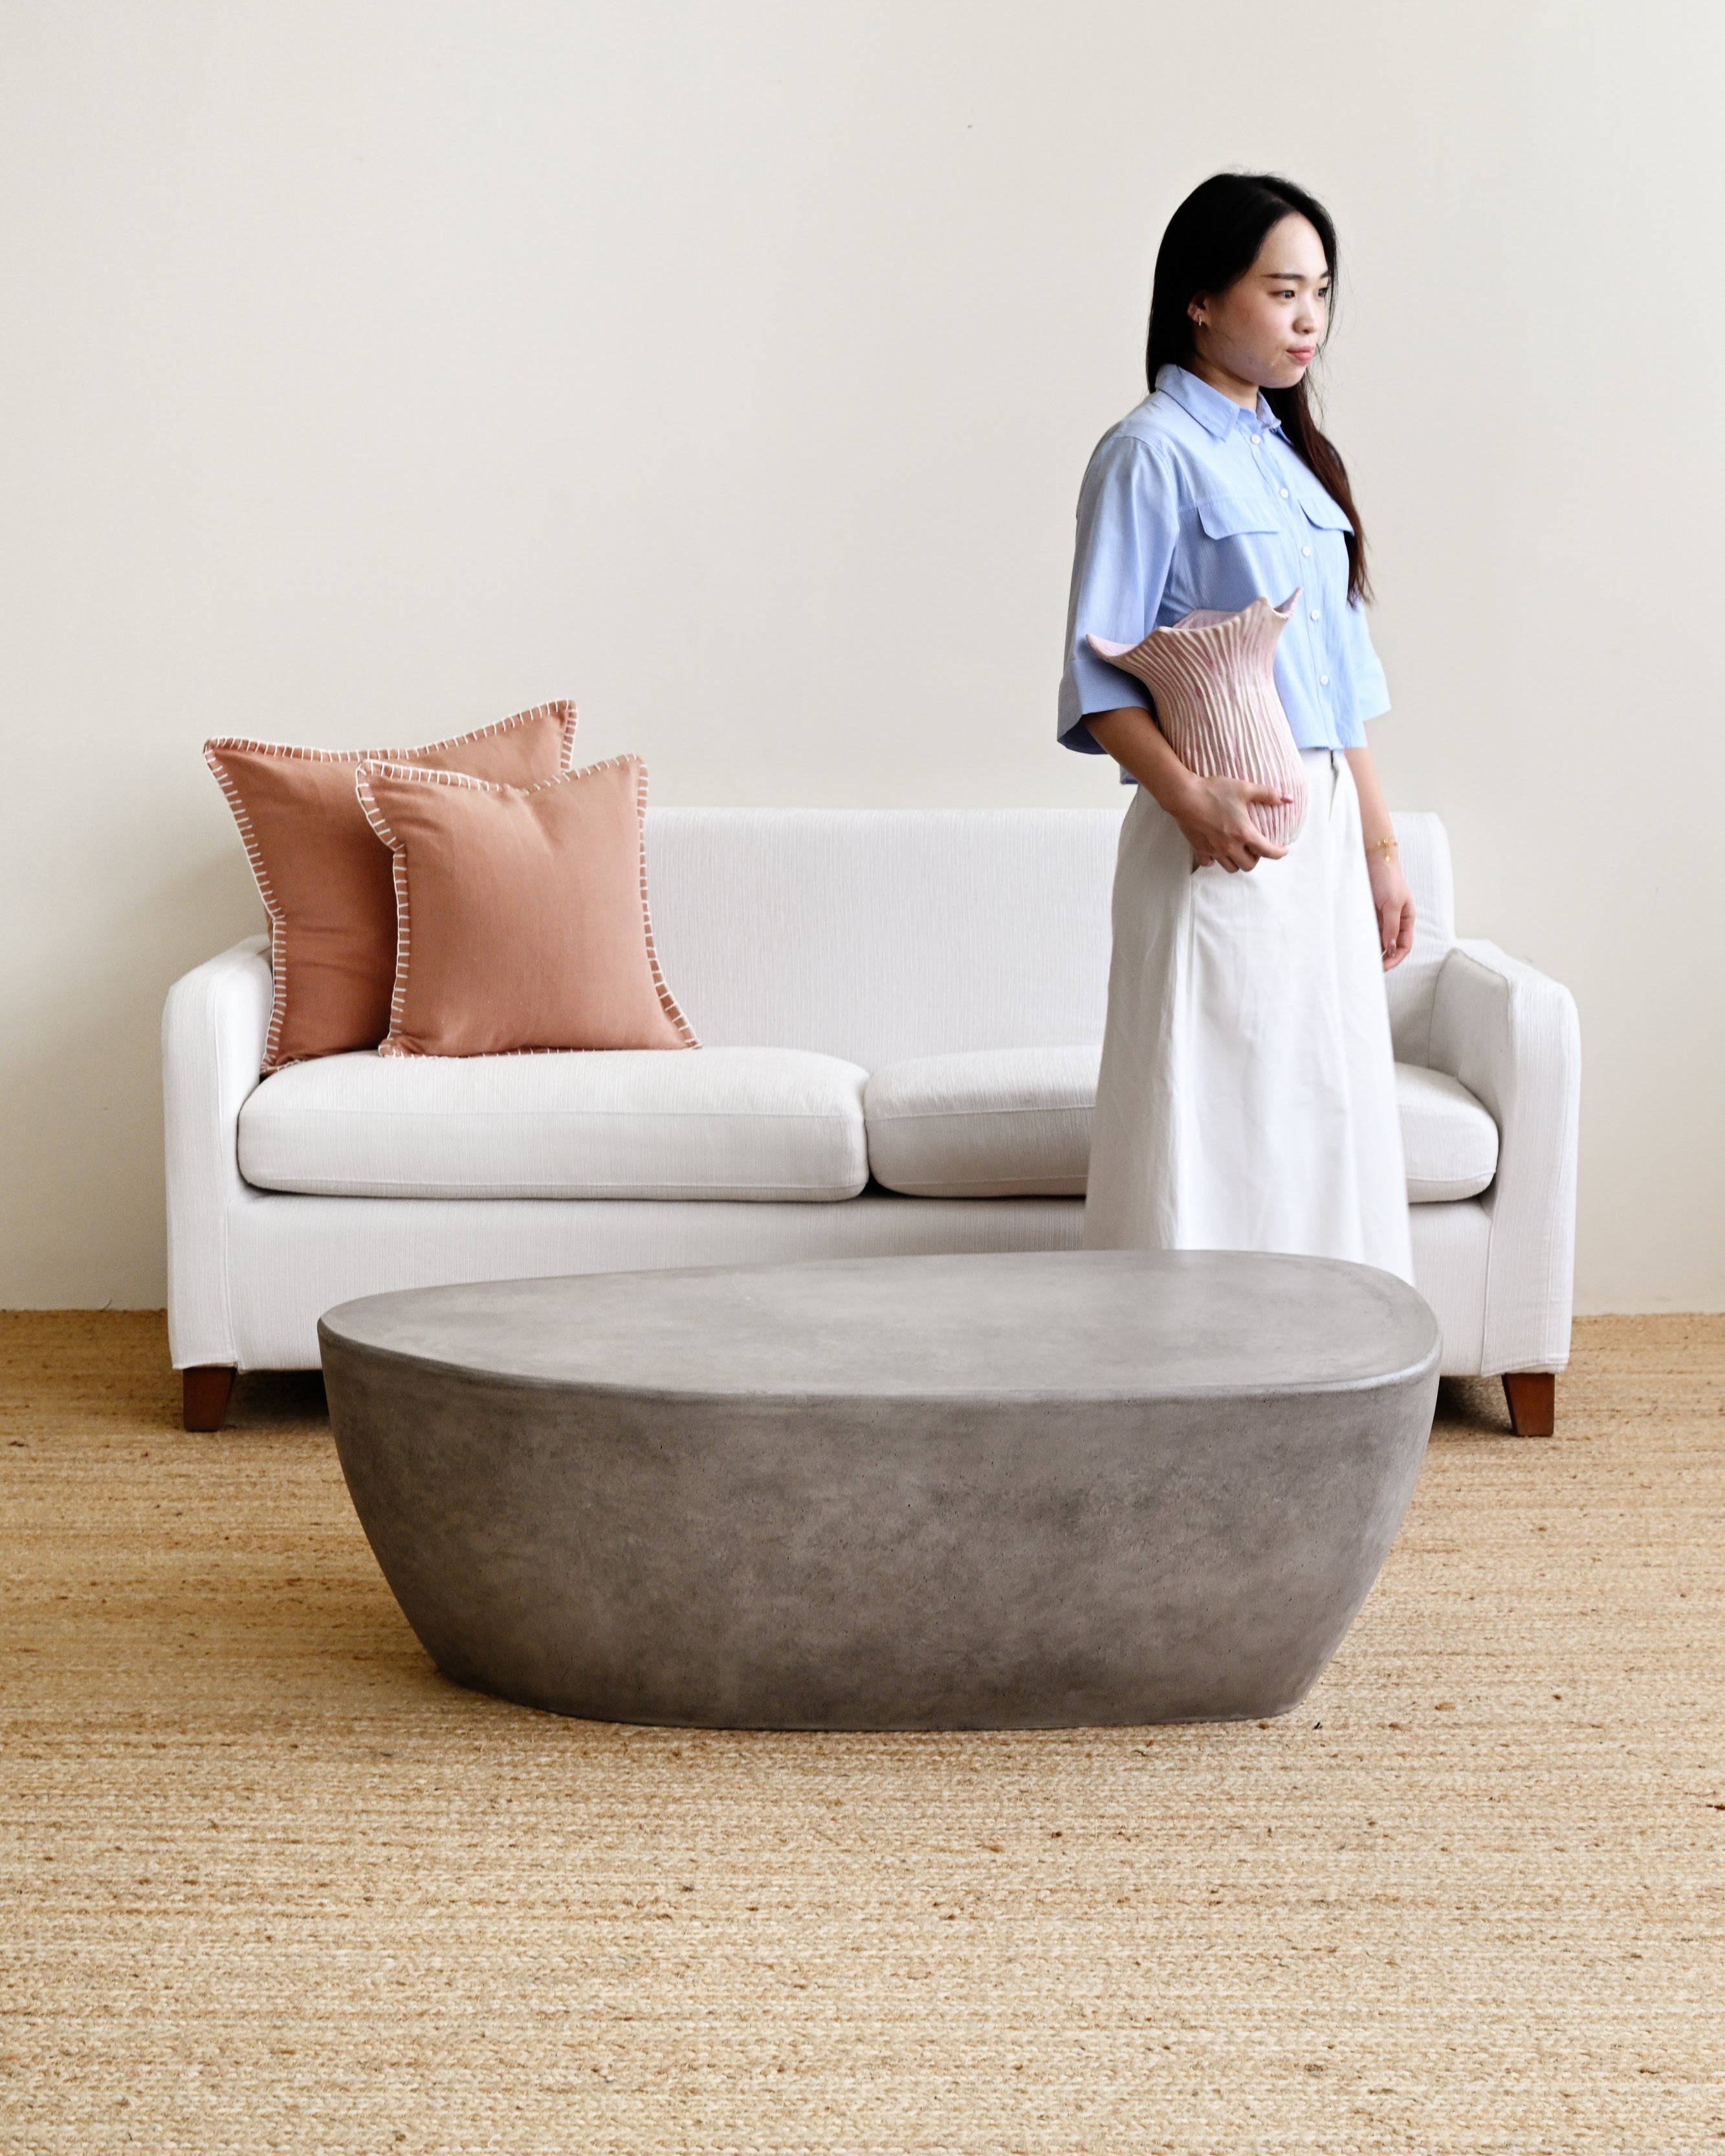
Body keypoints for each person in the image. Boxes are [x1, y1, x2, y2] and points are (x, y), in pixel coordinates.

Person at [1059, 171, 1414, 1281]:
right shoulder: (1150, 451)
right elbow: (1095, 676)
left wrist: (1379, 846)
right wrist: (1191, 802)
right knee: (1207, 1118)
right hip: (1211, 835)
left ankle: (1321, 1372)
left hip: (1314, 846)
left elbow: (1339, 684)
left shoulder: (1296, 458)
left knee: (1322, 1105)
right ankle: (1184, 1385)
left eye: (1320, 292)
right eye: (1280, 291)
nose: (1308, 318)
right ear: (1200, 300)